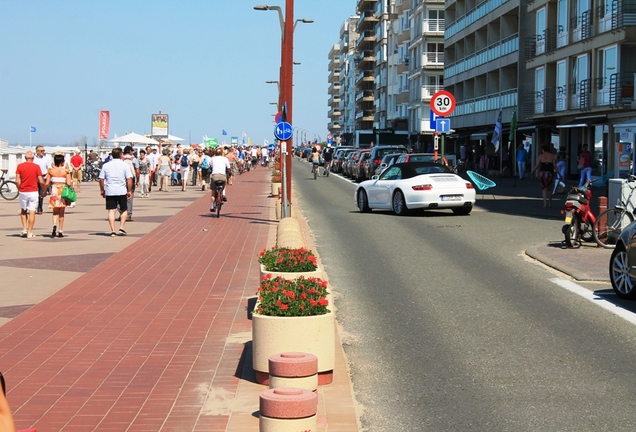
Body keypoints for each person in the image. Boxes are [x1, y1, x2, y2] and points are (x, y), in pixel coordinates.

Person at [99, 147, 133, 237]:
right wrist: (129, 190)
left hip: (110, 190)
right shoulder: (124, 165)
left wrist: (102, 190)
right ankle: (121, 227)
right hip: (122, 190)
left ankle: (113, 230)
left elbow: (101, 179)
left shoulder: (106, 165)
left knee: (111, 210)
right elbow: (129, 179)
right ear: (121, 155)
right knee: (124, 209)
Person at [16, 150, 45, 238]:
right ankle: (30, 232)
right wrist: (44, 190)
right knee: (32, 211)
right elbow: (41, 181)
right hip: (33, 191)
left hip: (23, 191)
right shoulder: (36, 167)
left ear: (25, 158)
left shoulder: (20, 166)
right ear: (33, 158)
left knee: (23, 210)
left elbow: (17, 180)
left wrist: (19, 188)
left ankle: (24, 229)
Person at [44, 153, 73, 238]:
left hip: (54, 191)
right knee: (61, 213)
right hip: (62, 192)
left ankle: (54, 225)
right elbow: (68, 183)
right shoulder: (65, 171)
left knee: (55, 212)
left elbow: (47, 182)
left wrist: (44, 191)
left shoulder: (51, 171)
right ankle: (60, 230)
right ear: (62, 162)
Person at [531, 143, 557, 208]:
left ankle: (545, 204)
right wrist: (559, 173)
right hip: (550, 173)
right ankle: (550, 203)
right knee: (549, 188)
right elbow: (554, 166)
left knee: (544, 188)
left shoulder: (540, 156)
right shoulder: (552, 156)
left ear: (543, 150)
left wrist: (532, 171)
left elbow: (537, 165)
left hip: (542, 173)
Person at [209, 147, 231, 212]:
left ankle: (212, 205)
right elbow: (229, 168)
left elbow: (211, 166)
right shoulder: (225, 159)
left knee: (213, 191)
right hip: (222, 176)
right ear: (222, 153)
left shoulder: (212, 159)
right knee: (224, 185)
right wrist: (229, 174)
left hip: (214, 176)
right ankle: (223, 194)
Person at [122, 146, 139, 221]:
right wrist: (137, 180)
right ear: (129, 151)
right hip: (131, 179)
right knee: (130, 197)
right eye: (132, 151)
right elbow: (137, 170)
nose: (132, 152)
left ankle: (121, 213)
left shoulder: (121, 159)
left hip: (122, 180)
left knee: (121, 197)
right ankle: (128, 214)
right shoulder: (134, 159)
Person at [33, 145, 50, 215]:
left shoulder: (45, 159)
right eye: (41, 151)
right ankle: (33, 208)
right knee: (34, 194)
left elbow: (48, 168)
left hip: (43, 177)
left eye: (44, 151)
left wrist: (47, 175)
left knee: (41, 193)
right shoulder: (33, 159)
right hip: (34, 177)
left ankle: (40, 208)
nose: (43, 152)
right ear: (37, 151)